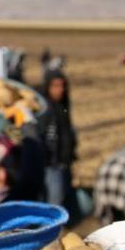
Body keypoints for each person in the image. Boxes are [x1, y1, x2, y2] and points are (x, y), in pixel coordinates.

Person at [37, 69, 77, 214]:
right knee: (54, 200)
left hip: (62, 163)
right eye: (55, 86)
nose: (60, 90)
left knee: (61, 198)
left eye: (62, 86)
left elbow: (67, 133)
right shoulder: (44, 109)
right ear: (47, 87)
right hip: (50, 163)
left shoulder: (62, 106)